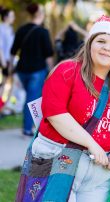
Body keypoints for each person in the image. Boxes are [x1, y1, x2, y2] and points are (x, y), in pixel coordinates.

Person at [30, 15, 110, 201]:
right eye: (101, 41)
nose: (107, 48)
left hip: (99, 174)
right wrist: (92, 144)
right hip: (59, 161)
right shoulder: (68, 71)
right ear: (90, 44)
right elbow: (56, 115)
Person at [10, 3, 54, 136]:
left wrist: (11, 68)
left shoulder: (21, 29)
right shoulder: (43, 32)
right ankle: (27, 129)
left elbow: (13, 51)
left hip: (22, 71)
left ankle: (29, 127)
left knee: (30, 98)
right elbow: (49, 55)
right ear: (40, 14)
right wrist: (52, 72)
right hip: (37, 71)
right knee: (32, 100)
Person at [0, 6, 15, 76]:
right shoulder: (1, 28)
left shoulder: (10, 28)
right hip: (3, 60)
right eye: (12, 16)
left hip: (8, 60)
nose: (14, 18)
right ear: (5, 17)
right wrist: (3, 62)